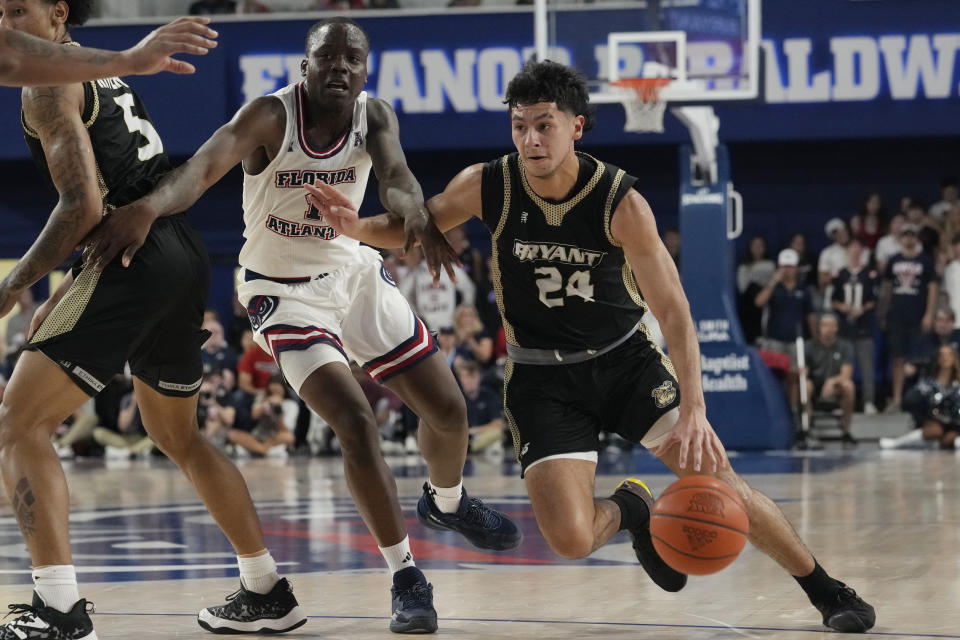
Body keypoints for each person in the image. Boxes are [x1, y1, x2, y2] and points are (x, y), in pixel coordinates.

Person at [304, 59, 876, 633]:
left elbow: (674, 311)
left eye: (544, 124)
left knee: (720, 481)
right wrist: (355, 228)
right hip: (541, 380)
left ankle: (827, 590)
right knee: (571, 539)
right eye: (519, 124)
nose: (530, 138)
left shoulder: (619, 201)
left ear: (576, 126)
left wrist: (695, 409)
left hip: (625, 364)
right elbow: (415, 226)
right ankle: (633, 509)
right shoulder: (489, 183)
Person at [83, 17, 520, 635]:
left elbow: (395, 180)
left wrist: (417, 216)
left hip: (352, 273)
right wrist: (148, 208)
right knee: (355, 421)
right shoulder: (270, 117)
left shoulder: (376, 117)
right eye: (328, 58)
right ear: (304, 67)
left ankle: (445, 504)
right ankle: (405, 575)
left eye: (353, 60)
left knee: (448, 412)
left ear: (365, 71)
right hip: (283, 294)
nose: (341, 68)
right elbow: (203, 167)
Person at [0, 2, 304, 638]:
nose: (6, 21)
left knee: (18, 423)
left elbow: (83, 207)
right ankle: (267, 588)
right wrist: (70, 283)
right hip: (179, 250)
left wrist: (14, 284)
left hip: (131, 251)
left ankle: (57, 606)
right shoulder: (103, 76)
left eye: (18, 9)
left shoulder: (47, 87)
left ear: (58, 14)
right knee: (179, 435)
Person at [0, 15, 217, 86]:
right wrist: (130, 60)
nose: (6, 23)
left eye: (18, 11)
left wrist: (130, 60)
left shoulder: (57, 90)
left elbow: (10, 56)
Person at [880, 223, 938, 412]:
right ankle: (897, 400)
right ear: (900, 237)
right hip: (897, 315)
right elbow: (888, 287)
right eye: (905, 234)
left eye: (912, 235)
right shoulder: (893, 260)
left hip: (919, 315)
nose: (908, 238)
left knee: (920, 360)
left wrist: (929, 313)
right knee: (898, 359)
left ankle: (922, 402)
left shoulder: (925, 260)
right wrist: (885, 311)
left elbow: (933, 287)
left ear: (916, 238)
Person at [754, 248, 816, 415]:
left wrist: (815, 339)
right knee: (775, 378)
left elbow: (810, 316)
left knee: (795, 378)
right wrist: (774, 281)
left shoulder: (803, 289)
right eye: (784, 266)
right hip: (775, 340)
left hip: (797, 341)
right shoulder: (774, 287)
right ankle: (777, 410)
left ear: (796, 268)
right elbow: (759, 302)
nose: (788, 270)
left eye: (791, 266)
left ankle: (794, 410)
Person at [830, 239, 878, 414]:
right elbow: (834, 300)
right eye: (852, 248)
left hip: (864, 327)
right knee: (842, 367)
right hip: (844, 328)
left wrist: (862, 309)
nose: (855, 251)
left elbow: (874, 300)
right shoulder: (840, 274)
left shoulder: (868, 274)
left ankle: (868, 402)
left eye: (858, 248)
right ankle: (840, 403)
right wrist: (844, 307)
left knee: (866, 367)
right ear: (848, 251)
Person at [881, 345, 960, 450]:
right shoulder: (929, 381)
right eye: (942, 355)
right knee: (935, 431)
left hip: (956, 422)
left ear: (955, 358)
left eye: (949, 355)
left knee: (950, 440)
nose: (945, 358)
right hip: (935, 419)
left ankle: (934, 444)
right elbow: (912, 400)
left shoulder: (957, 383)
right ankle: (897, 443)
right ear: (937, 359)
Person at [803, 314, 857, 446]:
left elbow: (846, 374)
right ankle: (805, 429)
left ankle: (846, 432)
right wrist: (802, 371)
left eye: (830, 325)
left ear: (836, 328)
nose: (827, 329)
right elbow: (803, 372)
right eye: (823, 325)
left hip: (835, 385)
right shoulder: (809, 346)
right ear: (819, 328)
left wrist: (832, 382)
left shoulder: (845, 346)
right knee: (805, 386)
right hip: (815, 384)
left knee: (848, 386)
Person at [736, 235, 775, 344]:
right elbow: (742, 288)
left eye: (760, 245)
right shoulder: (743, 267)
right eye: (755, 245)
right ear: (750, 247)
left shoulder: (771, 265)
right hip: (749, 306)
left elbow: (773, 282)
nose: (757, 248)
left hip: (768, 302)